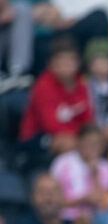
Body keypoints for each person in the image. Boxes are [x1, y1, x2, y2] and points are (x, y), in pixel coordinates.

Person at [19, 36, 93, 166]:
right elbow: (51, 125)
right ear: (51, 63)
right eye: (61, 61)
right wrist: (81, 138)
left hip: (74, 136)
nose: (66, 66)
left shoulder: (82, 82)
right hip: (38, 137)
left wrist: (87, 137)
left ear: (78, 62)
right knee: (67, 143)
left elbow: (88, 118)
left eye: (70, 60)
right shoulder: (43, 84)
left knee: (98, 139)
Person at [49, 123, 108, 224]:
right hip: (65, 219)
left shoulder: (107, 168)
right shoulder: (62, 162)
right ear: (78, 142)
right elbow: (53, 201)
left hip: (96, 222)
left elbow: (105, 203)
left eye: (97, 144)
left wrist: (94, 175)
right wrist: (82, 199)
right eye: (88, 143)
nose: (93, 148)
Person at [5, 173, 90, 224]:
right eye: (42, 192)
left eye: (53, 192)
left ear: (63, 197)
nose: (48, 198)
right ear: (32, 198)